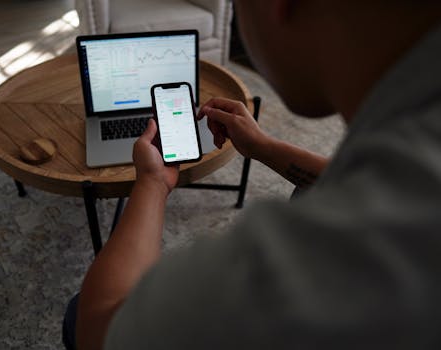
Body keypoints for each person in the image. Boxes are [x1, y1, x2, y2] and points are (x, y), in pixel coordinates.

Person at [64, 0, 441, 349]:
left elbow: (100, 329)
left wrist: (152, 181)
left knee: (75, 312)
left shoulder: (316, 257)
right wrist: (263, 147)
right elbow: (344, 181)